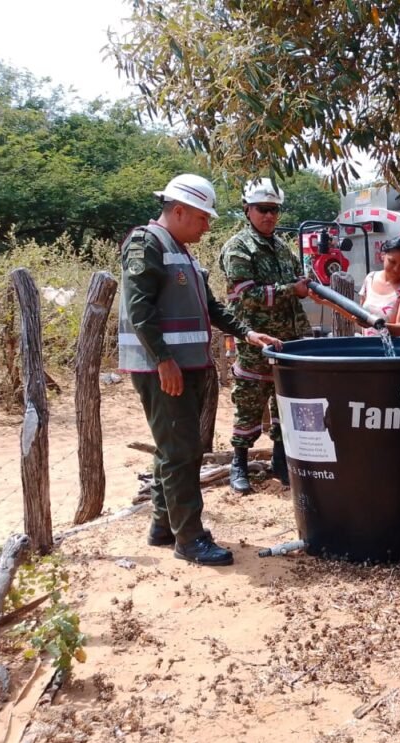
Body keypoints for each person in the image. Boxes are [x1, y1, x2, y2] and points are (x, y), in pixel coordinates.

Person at [119, 173, 282, 567]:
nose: (208, 226)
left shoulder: (181, 251)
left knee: (174, 449)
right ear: (178, 211)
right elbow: (139, 310)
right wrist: (163, 360)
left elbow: (211, 308)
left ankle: (164, 525)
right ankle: (189, 539)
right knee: (182, 452)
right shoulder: (147, 243)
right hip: (164, 369)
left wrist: (247, 332)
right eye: (202, 218)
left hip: (185, 366)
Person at [219, 178, 311, 494]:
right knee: (248, 404)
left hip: (290, 343)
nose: (269, 216)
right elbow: (246, 295)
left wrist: (304, 289)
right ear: (247, 209)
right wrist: (290, 290)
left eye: (274, 210)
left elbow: (297, 285)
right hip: (255, 342)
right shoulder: (238, 247)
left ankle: (282, 463)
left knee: (285, 404)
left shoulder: (283, 249)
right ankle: (239, 465)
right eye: (262, 209)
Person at [359, 237, 400, 336]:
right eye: (392, 262)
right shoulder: (370, 279)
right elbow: (360, 314)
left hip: (398, 350)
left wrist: (371, 323)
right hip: (369, 348)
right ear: (382, 255)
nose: (396, 269)